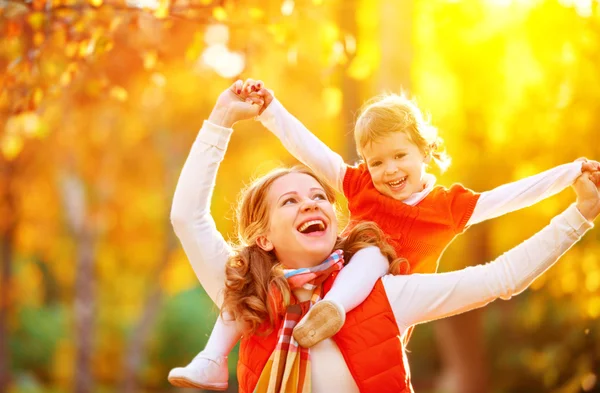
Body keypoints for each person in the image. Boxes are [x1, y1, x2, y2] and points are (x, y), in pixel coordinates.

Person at [167, 82, 600, 392]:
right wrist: (224, 117)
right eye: (290, 201)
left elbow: (500, 278)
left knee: (372, 253)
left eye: (319, 196)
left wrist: (579, 213)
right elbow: (187, 217)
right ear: (263, 238)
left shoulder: (384, 296)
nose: (313, 203)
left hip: (372, 289)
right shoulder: (249, 297)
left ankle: (332, 308)